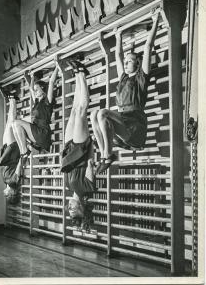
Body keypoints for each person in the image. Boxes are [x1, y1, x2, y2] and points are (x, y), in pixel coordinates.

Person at [90, 12, 160, 174]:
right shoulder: (122, 77)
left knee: (102, 113)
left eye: (130, 61)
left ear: (138, 63)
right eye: (126, 61)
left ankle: (108, 155)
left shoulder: (142, 77)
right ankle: (104, 155)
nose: (126, 62)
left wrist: (155, 21)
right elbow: (118, 55)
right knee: (95, 114)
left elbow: (148, 47)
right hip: (123, 122)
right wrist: (118, 35)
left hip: (135, 126)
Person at [60, 59, 95, 230]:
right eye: (74, 210)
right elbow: (90, 163)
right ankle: (82, 74)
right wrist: (89, 145)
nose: (70, 208)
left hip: (69, 151)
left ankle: (77, 75)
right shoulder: (88, 189)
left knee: (74, 111)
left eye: (69, 210)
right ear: (81, 207)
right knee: (82, 112)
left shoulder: (69, 187)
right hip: (81, 151)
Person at [11, 65, 59, 159]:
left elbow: (52, 82)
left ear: (43, 89)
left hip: (42, 132)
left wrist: (57, 66)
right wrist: (29, 77)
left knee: (16, 123)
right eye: (35, 90)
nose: (35, 91)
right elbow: (31, 88)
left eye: (37, 89)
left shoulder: (47, 101)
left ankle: (24, 151)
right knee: (13, 124)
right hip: (36, 132)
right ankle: (23, 151)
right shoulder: (36, 102)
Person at [0, 97, 23, 204]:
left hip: (7, 154)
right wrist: (23, 155)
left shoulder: (7, 182)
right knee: (11, 123)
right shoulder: (14, 182)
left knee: (8, 124)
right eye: (7, 196)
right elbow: (19, 167)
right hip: (13, 154)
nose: (4, 194)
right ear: (11, 194)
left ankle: (12, 101)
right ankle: (13, 101)